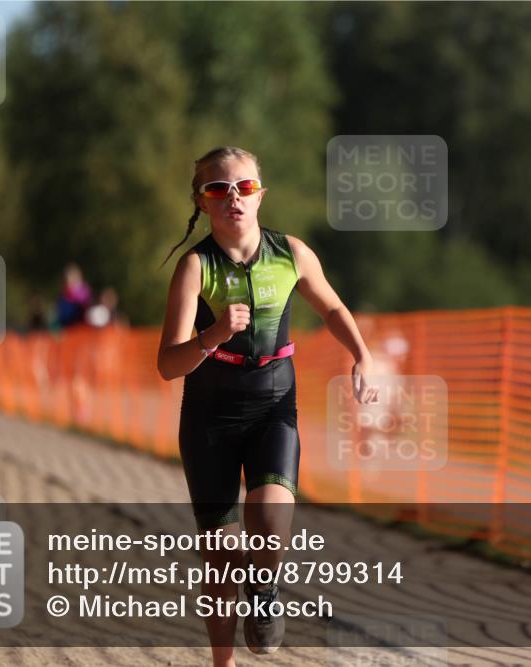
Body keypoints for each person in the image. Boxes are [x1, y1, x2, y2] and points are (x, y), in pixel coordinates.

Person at [157, 146, 378, 665]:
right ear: (202, 202)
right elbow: (168, 364)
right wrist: (212, 335)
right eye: (218, 189)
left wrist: (362, 355)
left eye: (245, 187)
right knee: (219, 555)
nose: (233, 198)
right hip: (209, 416)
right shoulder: (195, 267)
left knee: (270, 516)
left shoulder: (291, 253)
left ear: (261, 196)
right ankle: (224, 663)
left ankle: (264, 589)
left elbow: (332, 307)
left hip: (273, 403)